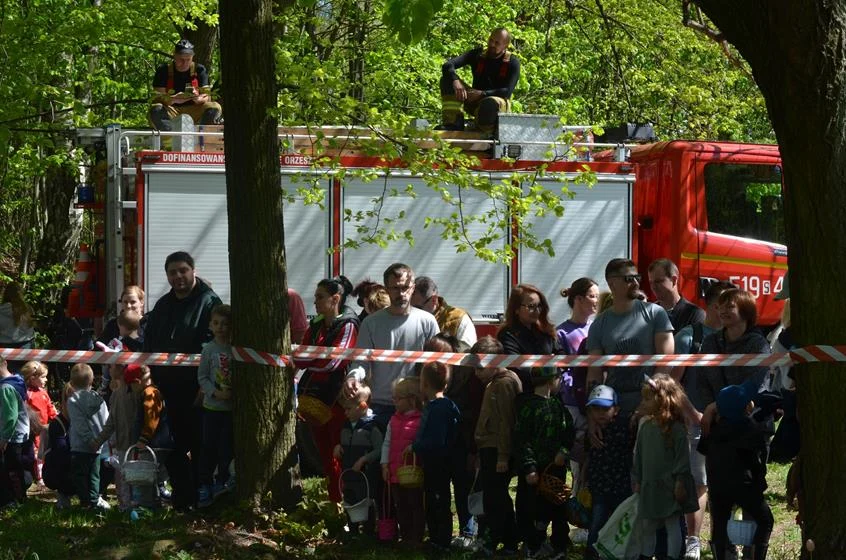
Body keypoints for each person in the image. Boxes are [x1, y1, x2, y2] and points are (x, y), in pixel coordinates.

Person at [143, 250, 221, 510]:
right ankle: (182, 498)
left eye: (183, 270)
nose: (178, 276)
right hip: (166, 390)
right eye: (172, 272)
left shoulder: (209, 302)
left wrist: (204, 387)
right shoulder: (162, 306)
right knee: (169, 447)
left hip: (198, 390)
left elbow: (215, 346)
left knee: (201, 447)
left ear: (193, 271)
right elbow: (149, 343)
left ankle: (202, 498)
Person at [673, 280, 735, 560]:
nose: (730, 310)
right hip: (696, 422)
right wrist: (692, 414)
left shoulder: (737, 338)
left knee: (726, 483)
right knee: (698, 483)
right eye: (725, 304)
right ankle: (692, 541)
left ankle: (725, 540)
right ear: (711, 305)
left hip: (728, 422)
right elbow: (673, 383)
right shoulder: (689, 336)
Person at [343, 263, 440, 429]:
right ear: (386, 289)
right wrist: (353, 377)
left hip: (416, 405)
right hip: (380, 405)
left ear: (413, 288)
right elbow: (361, 362)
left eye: (405, 287)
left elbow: (436, 365)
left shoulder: (428, 321)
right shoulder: (371, 323)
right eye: (395, 288)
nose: (401, 293)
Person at [294, 276, 359, 504]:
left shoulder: (349, 324)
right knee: (324, 455)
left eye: (320, 297)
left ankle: (351, 503)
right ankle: (335, 503)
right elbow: (300, 354)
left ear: (336, 299)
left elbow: (335, 362)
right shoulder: (316, 324)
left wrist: (307, 361)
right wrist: (307, 359)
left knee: (341, 452)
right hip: (315, 399)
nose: (315, 302)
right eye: (315, 297)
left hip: (339, 400)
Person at [586, 258, 674, 421]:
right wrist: (593, 417)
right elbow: (594, 374)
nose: (636, 282)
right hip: (613, 413)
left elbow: (666, 362)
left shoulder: (656, 314)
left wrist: (647, 404)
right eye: (629, 279)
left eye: (637, 277)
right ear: (612, 284)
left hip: (652, 411)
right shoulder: (598, 325)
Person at [698, 380, 774, 560]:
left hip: (718, 487)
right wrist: (759, 483)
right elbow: (757, 462)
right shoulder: (750, 428)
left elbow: (703, 448)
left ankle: (720, 555)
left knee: (719, 525)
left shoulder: (713, 430)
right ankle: (757, 556)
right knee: (765, 520)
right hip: (744, 485)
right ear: (745, 408)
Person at [632, 374, 698, 560]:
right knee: (648, 525)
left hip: (670, 487)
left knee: (672, 523)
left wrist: (680, 482)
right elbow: (640, 456)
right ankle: (646, 555)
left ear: (662, 399)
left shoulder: (676, 429)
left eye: (647, 398)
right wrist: (638, 479)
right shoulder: (646, 427)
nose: (643, 403)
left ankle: (672, 556)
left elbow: (682, 459)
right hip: (650, 486)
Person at [424, 334, 481, 546]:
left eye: (440, 356)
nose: (436, 362)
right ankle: (440, 536)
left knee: (463, 487)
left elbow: (475, 412)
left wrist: (473, 449)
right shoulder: (426, 376)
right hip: (437, 446)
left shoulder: (468, 375)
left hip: (462, 440)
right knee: (438, 491)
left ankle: (468, 532)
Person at [514, 366, 574, 560]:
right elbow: (522, 440)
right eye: (558, 378)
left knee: (558, 508)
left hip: (555, 469)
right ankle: (533, 544)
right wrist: (530, 467)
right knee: (530, 509)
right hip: (535, 472)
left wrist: (563, 452)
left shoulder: (558, 406)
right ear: (551, 381)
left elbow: (569, 432)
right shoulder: (528, 407)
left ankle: (559, 545)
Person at [472, 336, 521, 556]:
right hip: (489, 447)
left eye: (480, 367)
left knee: (495, 499)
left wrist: (503, 455)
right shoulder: (495, 383)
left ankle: (493, 541)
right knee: (497, 495)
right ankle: (509, 541)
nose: (476, 373)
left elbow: (506, 422)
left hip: (497, 449)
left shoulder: (504, 384)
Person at [412, 361, 461, 550]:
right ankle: (438, 538)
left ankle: (440, 540)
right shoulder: (447, 405)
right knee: (437, 499)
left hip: (437, 462)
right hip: (444, 461)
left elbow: (436, 440)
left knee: (437, 500)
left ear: (424, 384)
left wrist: (415, 446)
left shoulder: (438, 408)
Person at [555, 277, 599, 484]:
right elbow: (561, 370)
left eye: (597, 296)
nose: (596, 301)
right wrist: (574, 388)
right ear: (578, 299)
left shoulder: (597, 328)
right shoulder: (561, 332)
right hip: (573, 402)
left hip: (596, 399)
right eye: (592, 296)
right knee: (578, 455)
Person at [698, 289, 771, 408]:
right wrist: (713, 408)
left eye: (729, 307)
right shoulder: (710, 342)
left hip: (752, 414)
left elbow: (758, 382)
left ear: (745, 311)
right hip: (716, 414)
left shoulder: (758, 344)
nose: (722, 311)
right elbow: (702, 381)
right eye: (720, 307)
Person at [440, 28, 521, 133]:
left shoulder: (513, 63)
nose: (492, 44)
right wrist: (455, 80)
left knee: (489, 102)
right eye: (491, 40)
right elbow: (448, 65)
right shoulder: (477, 54)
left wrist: (483, 94)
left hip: (496, 104)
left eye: (497, 43)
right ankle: (454, 123)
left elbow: (507, 91)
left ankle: (483, 130)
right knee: (447, 80)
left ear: (506, 45)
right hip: (474, 99)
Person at [583, 385, 632, 558]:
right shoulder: (592, 433)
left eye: (605, 409)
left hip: (621, 487)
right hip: (599, 487)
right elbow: (588, 456)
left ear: (616, 409)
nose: (600, 413)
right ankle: (591, 553)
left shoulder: (625, 428)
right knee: (597, 522)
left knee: (620, 523)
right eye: (596, 409)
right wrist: (584, 476)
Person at [196, 304, 234, 507]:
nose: (221, 327)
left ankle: (222, 482)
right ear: (210, 325)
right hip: (212, 408)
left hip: (230, 409)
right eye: (217, 323)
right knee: (208, 447)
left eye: (225, 324)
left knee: (226, 449)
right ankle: (205, 484)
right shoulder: (208, 350)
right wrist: (215, 392)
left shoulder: (236, 350)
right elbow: (202, 377)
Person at [334, 384, 383, 535]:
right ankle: (353, 532)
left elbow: (379, 449)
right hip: (349, 473)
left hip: (365, 475)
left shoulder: (371, 426)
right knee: (350, 499)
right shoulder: (346, 426)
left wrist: (364, 459)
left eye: (348, 409)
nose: (345, 412)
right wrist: (338, 447)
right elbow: (343, 443)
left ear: (362, 406)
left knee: (366, 501)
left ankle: (369, 532)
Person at [380, 377, 424, 544]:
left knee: (415, 504)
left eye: (398, 398)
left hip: (413, 473)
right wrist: (385, 464)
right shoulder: (393, 420)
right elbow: (387, 443)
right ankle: (405, 537)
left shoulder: (421, 420)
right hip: (395, 472)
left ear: (411, 400)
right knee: (401, 505)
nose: (394, 402)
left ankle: (416, 537)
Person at [91, 362, 140, 511]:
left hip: (127, 444)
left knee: (124, 477)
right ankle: (135, 506)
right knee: (134, 477)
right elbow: (112, 423)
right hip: (134, 443)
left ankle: (126, 507)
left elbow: (110, 424)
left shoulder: (124, 395)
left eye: (110, 366)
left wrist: (98, 441)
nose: (108, 369)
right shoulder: (123, 394)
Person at [127, 363, 174, 508]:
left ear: (137, 382)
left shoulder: (150, 394)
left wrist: (143, 439)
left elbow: (151, 419)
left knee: (146, 477)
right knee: (155, 477)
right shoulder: (149, 392)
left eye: (131, 386)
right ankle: (155, 504)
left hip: (154, 444)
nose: (132, 390)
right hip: (154, 444)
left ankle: (147, 506)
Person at [149, 39, 222, 131]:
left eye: (188, 60)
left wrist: (198, 98)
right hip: (171, 110)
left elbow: (207, 96)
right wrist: (174, 99)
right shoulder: (163, 70)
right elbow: (157, 97)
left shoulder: (199, 70)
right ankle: (168, 136)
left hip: (194, 110)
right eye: (181, 60)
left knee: (214, 107)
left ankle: (200, 135)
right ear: (174, 55)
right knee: (156, 109)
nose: (185, 63)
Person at [497, 284, 558, 392]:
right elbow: (516, 366)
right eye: (531, 306)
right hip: (525, 394)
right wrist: (547, 372)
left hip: (551, 391)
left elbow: (561, 355)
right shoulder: (507, 335)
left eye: (539, 306)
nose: (537, 311)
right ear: (516, 309)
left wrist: (557, 374)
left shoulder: (545, 331)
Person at [67, 363, 110, 510]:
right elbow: (106, 420)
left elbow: (79, 424)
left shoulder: (73, 401)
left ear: (72, 383)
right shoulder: (99, 400)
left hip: (80, 445)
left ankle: (85, 502)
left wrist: (88, 440)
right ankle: (94, 500)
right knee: (94, 476)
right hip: (97, 445)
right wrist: (100, 440)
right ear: (91, 381)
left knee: (79, 475)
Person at [412, 276, 477, 349]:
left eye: (417, 308)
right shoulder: (409, 319)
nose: (413, 311)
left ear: (434, 300)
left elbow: (467, 352)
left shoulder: (459, 319)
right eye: (410, 307)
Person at [0, 355, 30, 507]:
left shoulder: (5, 388)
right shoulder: (17, 380)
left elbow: (10, 417)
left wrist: (4, 439)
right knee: (16, 468)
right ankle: (19, 497)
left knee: (11, 470)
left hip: (11, 435)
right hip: (20, 432)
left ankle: (15, 500)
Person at [22, 361, 57, 485]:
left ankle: (44, 474)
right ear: (32, 378)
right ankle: (39, 478)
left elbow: (49, 407)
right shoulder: (27, 394)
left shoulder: (43, 393)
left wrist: (55, 417)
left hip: (45, 428)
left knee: (44, 450)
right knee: (36, 452)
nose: (46, 379)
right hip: (33, 429)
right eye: (43, 377)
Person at [648, 259, 705, 332]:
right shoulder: (649, 312)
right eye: (651, 283)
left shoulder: (694, 314)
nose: (653, 287)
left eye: (658, 281)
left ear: (674, 280)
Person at [42, 383, 75, 509]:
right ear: (65, 401)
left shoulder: (86, 420)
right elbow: (61, 453)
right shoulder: (57, 424)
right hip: (62, 466)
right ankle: (64, 492)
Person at [0, 283, 35, 351]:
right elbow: (32, 325)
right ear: (20, 293)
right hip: (25, 343)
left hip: (4, 344)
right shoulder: (27, 309)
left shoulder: (1, 309)